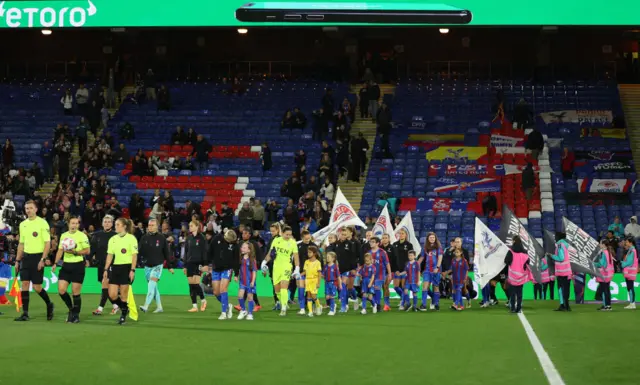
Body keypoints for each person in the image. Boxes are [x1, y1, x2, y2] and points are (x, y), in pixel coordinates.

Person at [14, 200, 55, 321]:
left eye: (31, 208)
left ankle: (49, 304)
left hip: (38, 257)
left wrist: (43, 259)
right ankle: (25, 313)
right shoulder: (23, 224)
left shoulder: (43, 223)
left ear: (36, 209)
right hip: (26, 258)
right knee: (25, 284)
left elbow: (47, 243)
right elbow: (21, 244)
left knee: (37, 287)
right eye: (26, 208)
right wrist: (17, 260)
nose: (28, 210)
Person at [52, 217, 90, 323]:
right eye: (72, 223)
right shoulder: (64, 235)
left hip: (78, 266)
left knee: (75, 292)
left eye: (76, 223)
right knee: (61, 290)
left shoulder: (82, 235)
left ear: (78, 225)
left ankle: (76, 315)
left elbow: (87, 251)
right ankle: (71, 309)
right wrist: (55, 263)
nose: (74, 225)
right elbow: (60, 250)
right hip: (66, 266)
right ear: (68, 224)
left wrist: (75, 252)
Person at [104, 218, 138, 325]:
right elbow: (110, 255)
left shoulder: (131, 238)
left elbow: (134, 255)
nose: (115, 226)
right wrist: (106, 268)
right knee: (112, 294)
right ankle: (125, 308)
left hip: (126, 268)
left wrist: (132, 270)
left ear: (124, 226)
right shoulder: (112, 239)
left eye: (118, 224)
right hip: (115, 268)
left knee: (123, 294)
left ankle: (123, 316)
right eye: (115, 224)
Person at [262, 226, 300, 316]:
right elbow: (270, 253)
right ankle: (284, 301)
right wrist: (264, 262)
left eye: (290, 235)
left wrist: (297, 268)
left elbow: (296, 256)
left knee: (284, 287)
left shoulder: (293, 243)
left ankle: (283, 308)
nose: (288, 236)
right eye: (287, 234)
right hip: (276, 268)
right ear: (282, 233)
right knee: (277, 291)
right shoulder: (276, 241)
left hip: (287, 267)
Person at [139, 219, 171, 313]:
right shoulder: (144, 237)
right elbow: (139, 251)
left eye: (153, 225)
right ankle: (159, 307)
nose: (150, 227)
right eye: (149, 225)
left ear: (157, 226)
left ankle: (146, 306)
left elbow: (166, 253)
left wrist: (169, 266)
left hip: (157, 266)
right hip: (147, 267)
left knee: (151, 286)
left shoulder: (161, 238)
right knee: (154, 288)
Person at [91, 216, 118, 315]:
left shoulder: (116, 236)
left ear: (112, 224)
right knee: (107, 288)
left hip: (112, 264)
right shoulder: (97, 235)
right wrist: (88, 259)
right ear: (102, 223)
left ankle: (100, 309)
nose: (107, 223)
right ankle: (117, 306)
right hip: (100, 264)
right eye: (105, 222)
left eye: (109, 222)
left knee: (105, 285)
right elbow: (92, 249)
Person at [210, 229, 239, 320]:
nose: (230, 242)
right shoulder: (216, 239)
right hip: (216, 268)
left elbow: (236, 259)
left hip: (227, 269)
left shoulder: (234, 244)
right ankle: (227, 305)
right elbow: (210, 251)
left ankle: (223, 313)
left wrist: (236, 273)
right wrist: (207, 264)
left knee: (223, 289)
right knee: (216, 292)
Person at [184, 220, 208, 313]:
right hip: (189, 263)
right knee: (191, 285)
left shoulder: (202, 238)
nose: (190, 227)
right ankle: (194, 306)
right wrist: (185, 265)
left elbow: (205, 252)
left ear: (197, 227)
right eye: (189, 225)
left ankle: (203, 300)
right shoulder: (188, 238)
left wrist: (205, 264)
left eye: (192, 225)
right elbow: (186, 252)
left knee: (196, 284)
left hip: (198, 263)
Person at [335, 227, 360, 312]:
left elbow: (353, 257)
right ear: (339, 234)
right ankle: (354, 299)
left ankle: (344, 306)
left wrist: (353, 268)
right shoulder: (336, 244)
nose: (343, 236)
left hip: (347, 268)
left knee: (344, 286)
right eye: (342, 234)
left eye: (345, 235)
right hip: (339, 269)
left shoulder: (350, 244)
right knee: (346, 287)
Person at [504, 236, 529, 314]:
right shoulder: (524, 252)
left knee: (512, 293)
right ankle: (519, 308)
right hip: (521, 275)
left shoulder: (511, 251)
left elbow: (506, 261)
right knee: (519, 293)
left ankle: (512, 309)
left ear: (514, 241)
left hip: (512, 275)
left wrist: (511, 264)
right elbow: (527, 262)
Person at [418, 232, 442, 311]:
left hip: (436, 270)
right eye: (430, 237)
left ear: (435, 239)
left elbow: (440, 258)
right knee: (425, 287)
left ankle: (436, 304)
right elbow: (422, 258)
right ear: (428, 239)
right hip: (427, 270)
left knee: (435, 287)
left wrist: (437, 267)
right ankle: (423, 305)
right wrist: (416, 264)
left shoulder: (438, 247)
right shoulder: (425, 248)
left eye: (433, 237)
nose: (432, 239)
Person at [235, 241, 257, 320]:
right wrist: (236, 276)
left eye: (244, 248)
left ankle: (250, 314)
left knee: (250, 297)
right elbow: (238, 269)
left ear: (249, 250)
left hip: (250, 282)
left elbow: (254, 271)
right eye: (241, 247)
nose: (241, 249)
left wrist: (253, 281)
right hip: (242, 282)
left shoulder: (252, 260)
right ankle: (243, 310)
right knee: (240, 296)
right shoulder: (240, 259)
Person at [550, 232, 572, 312]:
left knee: (560, 288)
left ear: (558, 237)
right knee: (566, 289)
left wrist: (552, 256)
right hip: (567, 271)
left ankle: (563, 305)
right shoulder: (565, 245)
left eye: (555, 236)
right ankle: (567, 306)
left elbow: (561, 258)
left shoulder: (559, 245)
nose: (555, 237)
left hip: (561, 272)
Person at [369, 237, 391, 312]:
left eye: (373, 242)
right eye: (370, 242)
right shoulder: (369, 253)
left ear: (377, 243)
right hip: (371, 275)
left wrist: (389, 274)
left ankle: (378, 304)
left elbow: (387, 263)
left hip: (381, 274)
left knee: (377, 288)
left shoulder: (382, 252)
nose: (371, 243)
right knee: (372, 290)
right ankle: (375, 304)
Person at [391, 230, 412, 308]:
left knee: (404, 287)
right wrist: (394, 269)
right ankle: (405, 300)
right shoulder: (394, 244)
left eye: (403, 233)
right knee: (396, 287)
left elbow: (411, 258)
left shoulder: (409, 245)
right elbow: (393, 258)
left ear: (406, 235)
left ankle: (404, 303)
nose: (401, 235)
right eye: (400, 233)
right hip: (396, 269)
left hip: (405, 269)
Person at [302, 246, 323, 317]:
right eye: (308, 252)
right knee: (308, 295)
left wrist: (319, 283)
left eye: (310, 252)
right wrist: (298, 275)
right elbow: (304, 272)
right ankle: (310, 312)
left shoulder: (318, 263)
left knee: (314, 296)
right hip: (307, 280)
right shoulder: (306, 262)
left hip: (314, 280)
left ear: (314, 253)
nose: (308, 254)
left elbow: (319, 273)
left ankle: (318, 305)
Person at [594, 240, 615, 311]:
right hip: (608, 274)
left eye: (600, 243)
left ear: (603, 245)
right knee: (606, 290)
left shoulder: (604, 253)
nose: (599, 244)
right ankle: (606, 305)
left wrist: (594, 264)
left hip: (604, 274)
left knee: (604, 290)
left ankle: (607, 306)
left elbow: (602, 264)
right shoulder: (608, 252)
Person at [621, 237, 638, 310]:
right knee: (630, 287)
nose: (626, 243)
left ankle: (632, 303)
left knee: (630, 287)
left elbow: (630, 262)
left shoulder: (632, 250)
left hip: (630, 272)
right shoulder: (631, 250)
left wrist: (623, 264)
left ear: (631, 243)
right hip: (630, 272)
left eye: (627, 242)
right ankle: (632, 303)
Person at [323, 251, 340, 316]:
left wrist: (340, 284)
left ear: (333, 258)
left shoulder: (335, 266)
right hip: (327, 283)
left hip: (333, 283)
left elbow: (338, 276)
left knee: (331, 296)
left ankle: (332, 310)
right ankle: (333, 305)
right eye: (326, 257)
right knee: (327, 297)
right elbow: (323, 274)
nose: (327, 258)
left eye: (328, 257)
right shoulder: (326, 266)